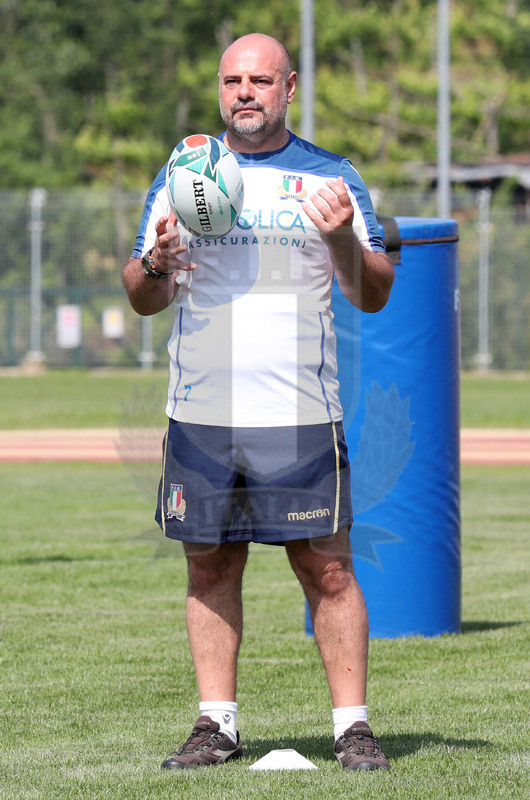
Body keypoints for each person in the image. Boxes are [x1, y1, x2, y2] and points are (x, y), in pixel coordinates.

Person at [123, 32, 394, 772]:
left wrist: (341, 240)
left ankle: (353, 728)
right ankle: (217, 724)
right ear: (220, 87)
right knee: (210, 569)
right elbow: (142, 295)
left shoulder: (332, 178)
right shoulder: (185, 173)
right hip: (203, 413)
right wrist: (156, 262)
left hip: (301, 412)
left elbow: (373, 294)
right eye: (233, 80)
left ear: (289, 88)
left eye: (261, 80)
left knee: (329, 571)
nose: (245, 92)